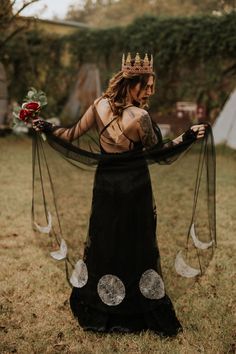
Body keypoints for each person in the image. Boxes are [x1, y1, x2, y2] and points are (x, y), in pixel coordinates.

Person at [32, 53, 207, 337]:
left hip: (106, 184)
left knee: (107, 238)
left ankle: (102, 302)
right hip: (135, 185)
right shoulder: (140, 116)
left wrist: (47, 127)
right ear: (133, 83)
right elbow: (158, 153)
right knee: (136, 240)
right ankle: (136, 305)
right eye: (148, 85)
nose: (151, 91)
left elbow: (71, 133)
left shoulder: (99, 104)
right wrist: (187, 136)